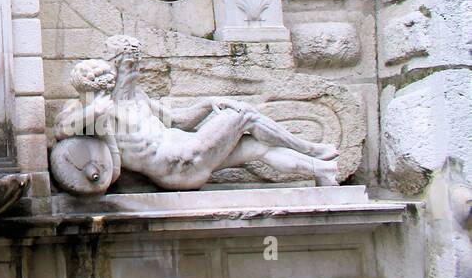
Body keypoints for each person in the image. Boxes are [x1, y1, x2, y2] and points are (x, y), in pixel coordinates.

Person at [52, 36, 340, 194]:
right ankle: (309, 148)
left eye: (137, 64)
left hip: (187, 153)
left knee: (258, 147)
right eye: (128, 64)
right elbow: (63, 129)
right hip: (179, 164)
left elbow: (176, 121)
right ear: (113, 66)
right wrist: (92, 110)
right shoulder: (101, 107)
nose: (134, 71)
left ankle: (324, 171)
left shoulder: (138, 98)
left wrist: (208, 103)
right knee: (244, 116)